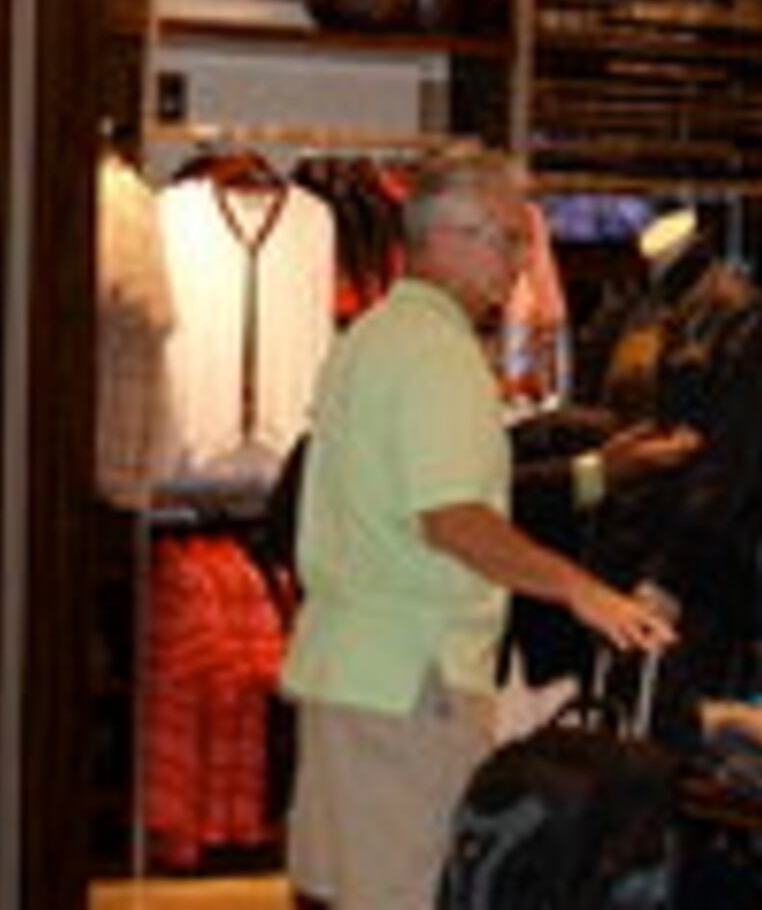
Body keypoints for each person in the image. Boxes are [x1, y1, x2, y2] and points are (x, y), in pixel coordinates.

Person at [280, 152, 677, 909]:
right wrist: (581, 590)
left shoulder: (374, 336)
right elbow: (454, 520)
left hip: (349, 669)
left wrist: (596, 474)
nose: (523, 261)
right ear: (452, 237)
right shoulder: (440, 355)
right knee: (406, 891)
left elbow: (434, 498)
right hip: (410, 681)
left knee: (337, 888)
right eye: (510, 238)